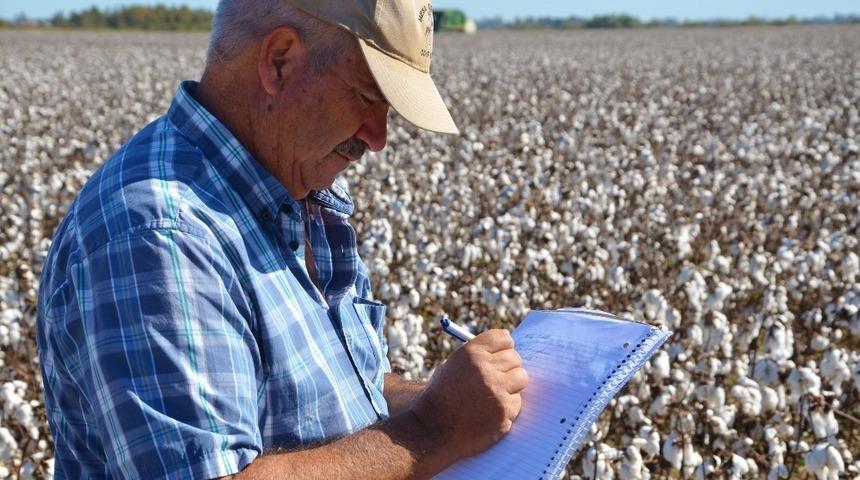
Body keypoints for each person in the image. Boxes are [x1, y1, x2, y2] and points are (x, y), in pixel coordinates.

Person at [36, 0, 528, 478]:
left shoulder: (301, 191)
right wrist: (433, 429)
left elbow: (336, 389)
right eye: (367, 95)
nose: (378, 137)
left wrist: (442, 400)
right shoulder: (160, 237)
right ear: (279, 61)